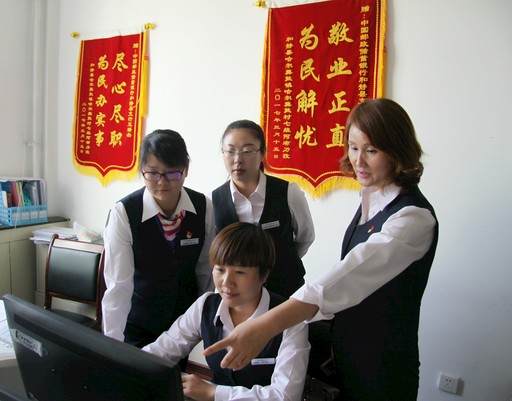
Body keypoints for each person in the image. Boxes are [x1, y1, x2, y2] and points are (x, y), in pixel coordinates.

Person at [204, 98, 439, 401]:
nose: (359, 161)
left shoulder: (412, 219)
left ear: (398, 150)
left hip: (383, 361)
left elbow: (345, 276)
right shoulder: (371, 196)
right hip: (345, 351)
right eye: (353, 148)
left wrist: (265, 326)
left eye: (371, 150)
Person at [143, 222, 310, 401]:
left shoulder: (290, 319)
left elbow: (285, 396)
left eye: (239, 272)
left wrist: (213, 393)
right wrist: (130, 365)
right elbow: (162, 349)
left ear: (264, 275)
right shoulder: (206, 305)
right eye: (220, 270)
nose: (226, 282)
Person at [102, 129, 215, 351]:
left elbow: (206, 271)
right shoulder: (124, 213)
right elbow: (118, 286)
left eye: (172, 173)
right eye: (153, 173)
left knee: (174, 374)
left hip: (182, 326)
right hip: (138, 323)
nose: (162, 182)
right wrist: (113, 348)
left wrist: (203, 321)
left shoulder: (203, 207)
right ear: (142, 169)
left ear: (186, 169)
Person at [211, 119, 315, 298]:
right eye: (230, 151)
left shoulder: (288, 192)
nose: (237, 159)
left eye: (247, 151)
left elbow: (305, 237)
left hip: (286, 289)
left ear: (263, 153)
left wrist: (283, 261)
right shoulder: (214, 200)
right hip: (238, 297)